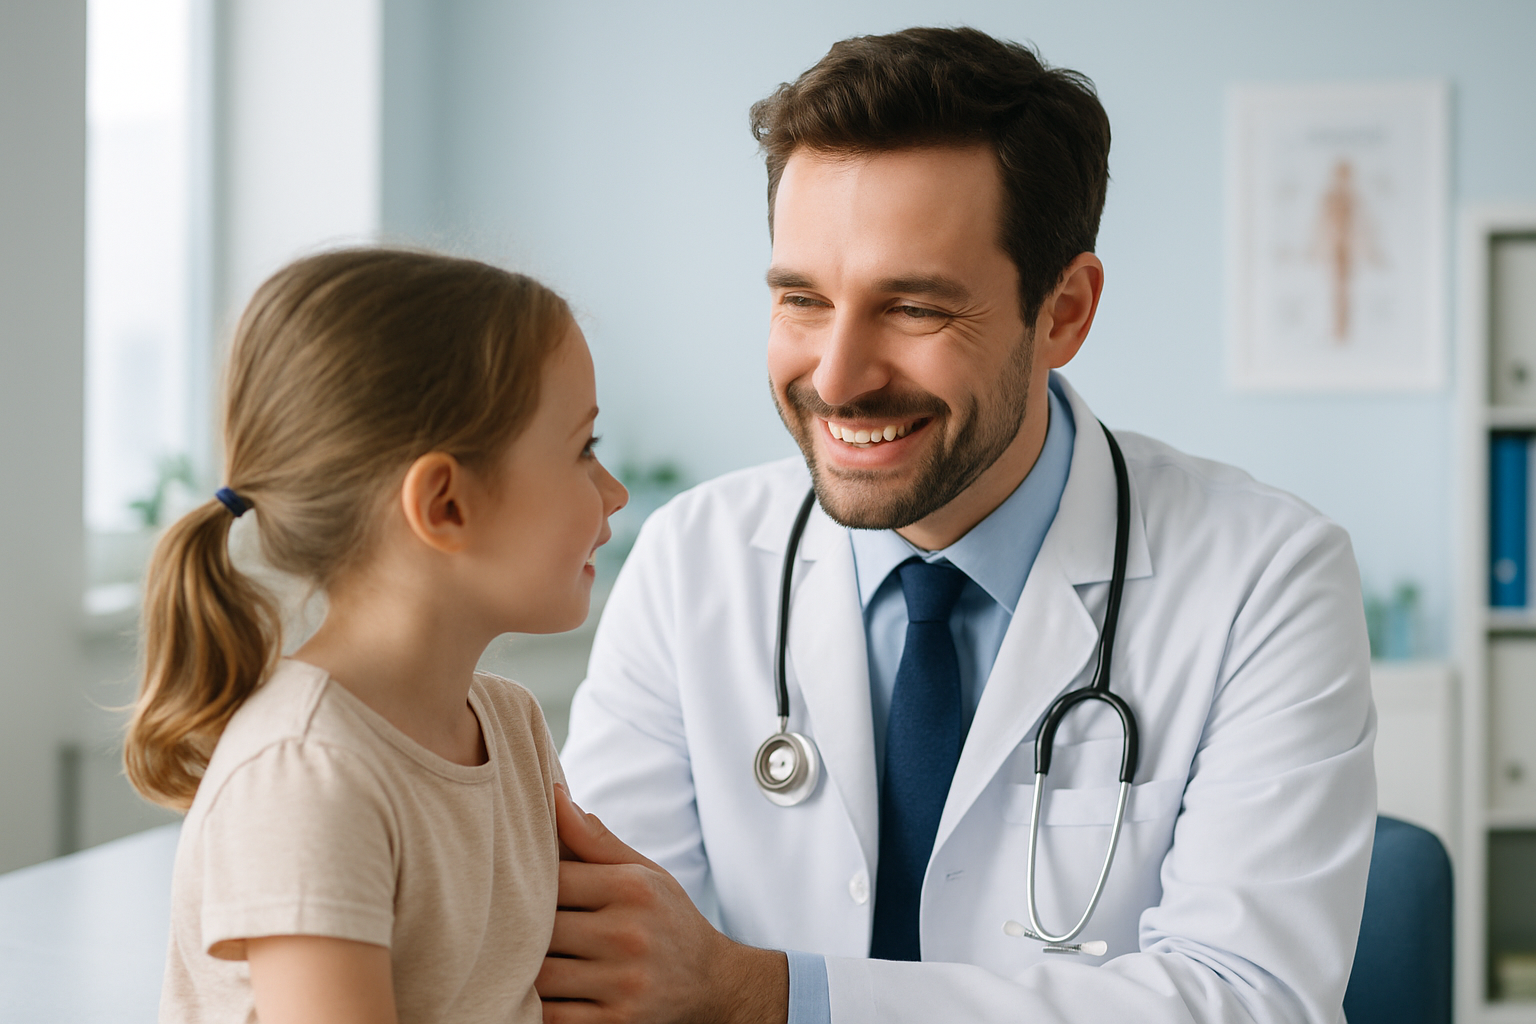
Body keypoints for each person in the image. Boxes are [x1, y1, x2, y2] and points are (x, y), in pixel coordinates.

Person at [543, 26, 1376, 1024]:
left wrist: (771, 995)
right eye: (802, 300)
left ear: (1063, 311)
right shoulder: (693, 566)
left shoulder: (1266, 577)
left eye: (914, 308)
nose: (839, 377)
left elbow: (1248, 1001)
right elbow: (607, 970)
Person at [125, 248, 628, 1023]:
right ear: (446, 504)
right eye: (583, 450)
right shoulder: (307, 775)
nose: (616, 494)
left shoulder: (514, 728)